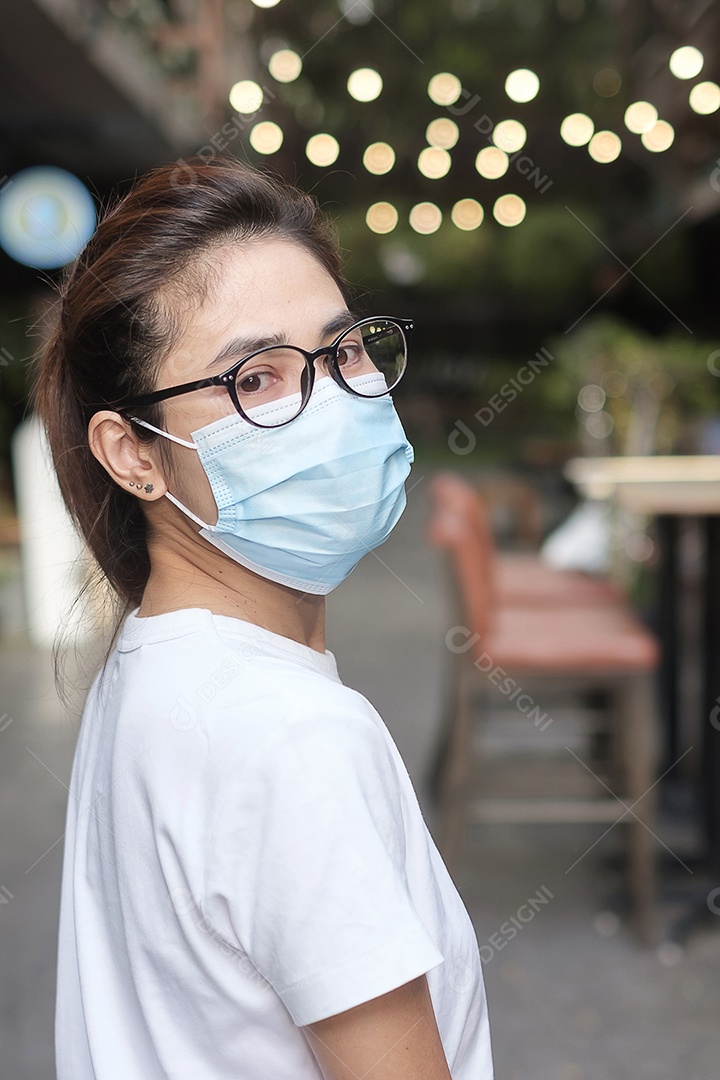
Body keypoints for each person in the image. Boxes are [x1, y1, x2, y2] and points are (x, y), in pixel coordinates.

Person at [34, 157, 493, 1079]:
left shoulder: (156, 667)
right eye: (255, 378)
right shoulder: (290, 737)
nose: (331, 399)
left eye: (344, 350)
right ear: (133, 455)